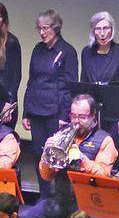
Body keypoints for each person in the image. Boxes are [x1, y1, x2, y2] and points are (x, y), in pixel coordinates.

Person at [19, 94, 118, 218]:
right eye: (73, 116)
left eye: (82, 117)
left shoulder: (105, 140)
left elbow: (104, 175)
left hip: (89, 203)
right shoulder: (62, 134)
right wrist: (47, 156)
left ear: (93, 116)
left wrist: (82, 159)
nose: (76, 121)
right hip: (62, 199)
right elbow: (46, 177)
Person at [23, 9, 80, 158]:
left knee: (54, 155)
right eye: (39, 28)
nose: (42, 32)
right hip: (36, 111)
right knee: (38, 154)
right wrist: (26, 113)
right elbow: (32, 81)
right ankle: (42, 183)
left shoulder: (67, 51)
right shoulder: (37, 49)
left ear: (55, 28)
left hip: (55, 113)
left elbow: (70, 87)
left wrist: (64, 116)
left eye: (45, 28)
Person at [81, 12, 119, 147]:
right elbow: (84, 83)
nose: (102, 33)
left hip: (115, 116)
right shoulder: (86, 52)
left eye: (106, 28)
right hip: (92, 115)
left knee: (114, 156)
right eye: (98, 29)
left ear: (112, 30)